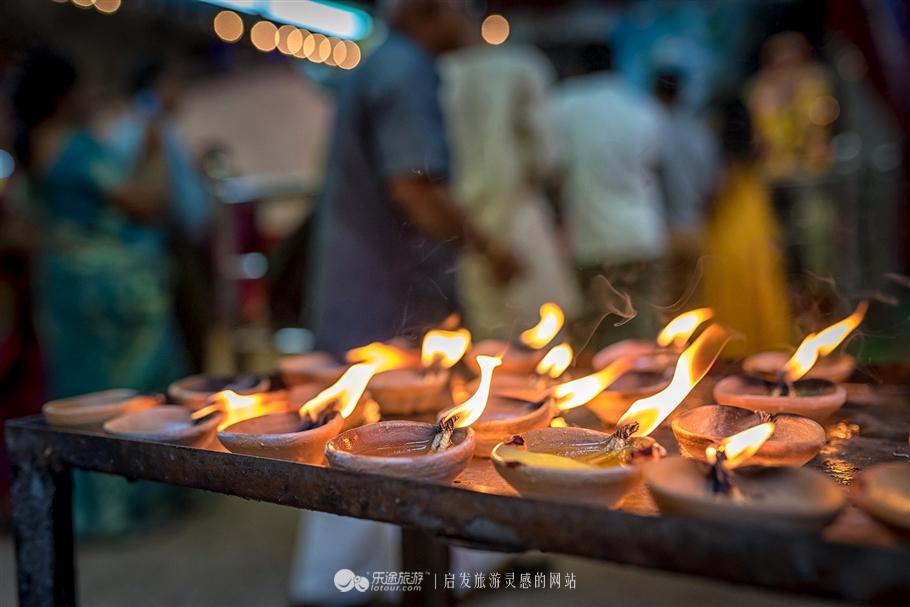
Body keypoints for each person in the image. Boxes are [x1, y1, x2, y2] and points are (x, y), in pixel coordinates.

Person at [11, 50, 189, 535]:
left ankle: (85, 506)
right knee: (129, 395)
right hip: (112, 291)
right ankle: (125, 504)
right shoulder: (76, 149)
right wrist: (157, 150)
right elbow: (146, 204)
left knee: (77, 396)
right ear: (65, 96)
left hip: (61, 288)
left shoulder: (31, 148)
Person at [307, 0, 520, 358]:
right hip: (382, 313)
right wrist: (491, 252)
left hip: (363, 300)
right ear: (431, 10)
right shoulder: (404, 71)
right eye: (464, 7)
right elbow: (415, 191)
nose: (471, 16)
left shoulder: (389, 63)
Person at [441, 39, 580, 339]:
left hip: (459, 228)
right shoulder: (524, 65)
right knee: (541, 348)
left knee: (486, 351)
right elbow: (547, 157)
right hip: (517, 222)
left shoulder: (443, 71)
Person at [550, 43, 667, 348]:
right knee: (641, 345)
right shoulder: (641, 105)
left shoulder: (563, 104)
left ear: (578, 67)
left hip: (590, 240)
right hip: (642, 235)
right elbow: (654, 167)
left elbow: (551, 170)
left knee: (593, 344)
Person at [106, 58, 212, 370]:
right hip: (162, 248)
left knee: (192, 330)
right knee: (185, 330)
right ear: (156, 86)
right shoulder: (138, 132)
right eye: (172, 82)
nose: (179, 91)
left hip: (175, 244)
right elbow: (145, 197)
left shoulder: (159, 129)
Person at [703, 100, 792, 357]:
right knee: (763, 291)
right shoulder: (760, 148)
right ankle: (769, 352)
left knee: (731, 294)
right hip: (759, 228)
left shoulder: (721, 154)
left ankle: (734, 351)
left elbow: (716, 193)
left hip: (728, 231)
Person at [653, 70, 719, 304]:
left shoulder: (651, 128)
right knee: (699, 306)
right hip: (696, 227)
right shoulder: (698, 131)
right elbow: (712, 183)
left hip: (662, 232)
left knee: (665, 308)